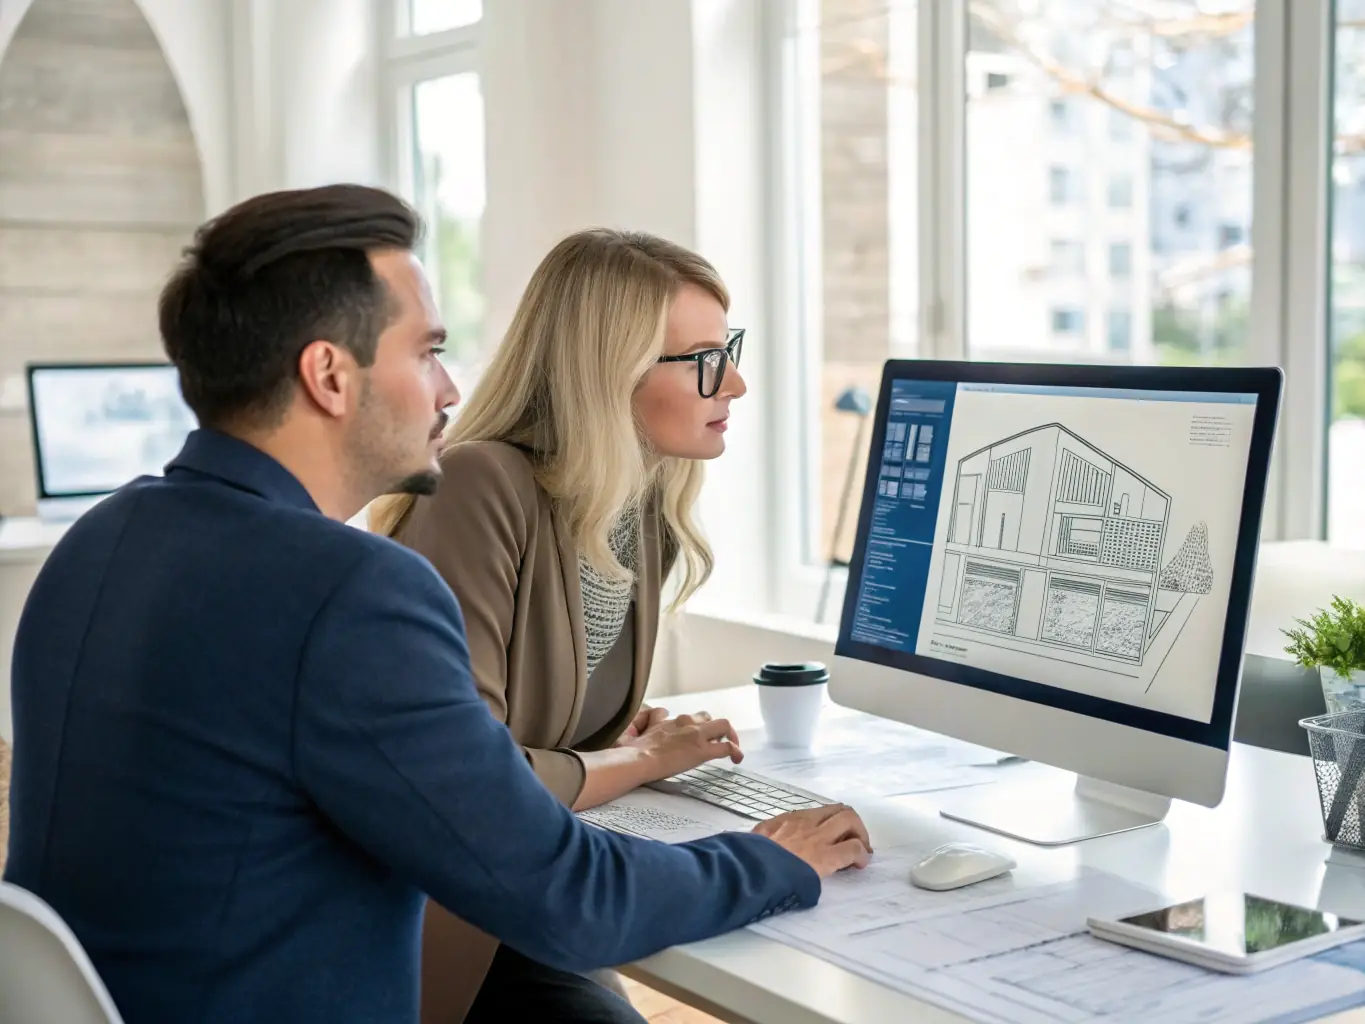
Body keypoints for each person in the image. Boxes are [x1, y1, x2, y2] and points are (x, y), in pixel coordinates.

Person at [1, 185, 873, 1024]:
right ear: (329, 376)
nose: (452, 390)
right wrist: (770, 858)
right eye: (426, 353)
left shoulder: (102, 538)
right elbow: (567, 898)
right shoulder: (347, 592)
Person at [369, 228, 766, 1021]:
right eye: (703, 360)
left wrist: (613, 750)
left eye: (730, 350)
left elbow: (544, 739)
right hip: (444, 924)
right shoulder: (482, 485)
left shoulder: (639, 505)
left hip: (527, 899)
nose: (737, 384)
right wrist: (646, 758)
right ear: (607, 375)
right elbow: (471, 783)